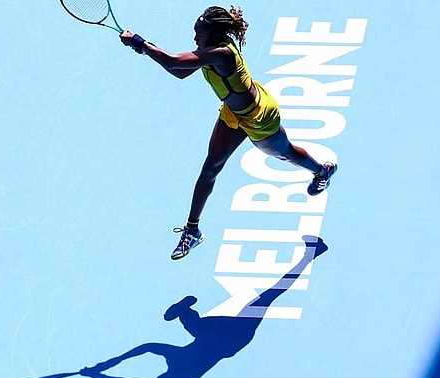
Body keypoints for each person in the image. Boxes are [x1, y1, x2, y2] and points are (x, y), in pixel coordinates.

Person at [119, 6, 337, 260]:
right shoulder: (207, 51)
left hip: (258, 116)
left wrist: (139, 42)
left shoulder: (222, 53)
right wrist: (145, 49)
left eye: (198, 34)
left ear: (213, 35)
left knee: (285, 154)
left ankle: (322, 171)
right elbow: (179, 72)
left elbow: (174, 62)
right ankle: (192, 231)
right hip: (232, 115)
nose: (194, 38)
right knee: (211, 167)